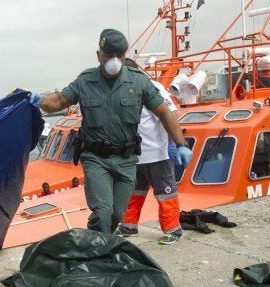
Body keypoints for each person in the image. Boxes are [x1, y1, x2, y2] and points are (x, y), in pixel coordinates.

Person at [37, 29, 192, 234]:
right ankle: (98, 255)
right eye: (109, 55)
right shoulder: (85, 81)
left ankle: (101, 244)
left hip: (126, 159)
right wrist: (38, 101)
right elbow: (57, 102)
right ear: (99, 55)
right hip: (95, 158)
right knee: (102, 211)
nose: (115, 61)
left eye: (120, 55)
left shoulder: (139, 81)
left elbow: (164, 112)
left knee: (117, 214)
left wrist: (179, 144)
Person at [116, 58, 187, 245]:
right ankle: (128, 226)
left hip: (157, 153)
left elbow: (170, 114)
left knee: (165, 193)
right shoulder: (118, 92)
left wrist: (178, 144)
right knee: (132, 192)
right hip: (133, 155)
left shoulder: (153, 87)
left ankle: (173, 229)